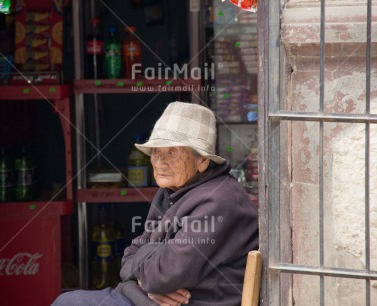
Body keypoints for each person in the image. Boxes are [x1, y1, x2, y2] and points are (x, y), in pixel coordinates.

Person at [52, 101, 259, 306]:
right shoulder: (171, 190)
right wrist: (146, 285)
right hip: (148, 298)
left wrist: (141, 282)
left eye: (172, 153)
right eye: (156, 152)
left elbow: (164, 275)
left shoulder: (219, 198)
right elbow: (129, 258)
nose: (160, 162)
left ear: (203, 161)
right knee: (68, 301)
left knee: (70, 303)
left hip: (186, 303)